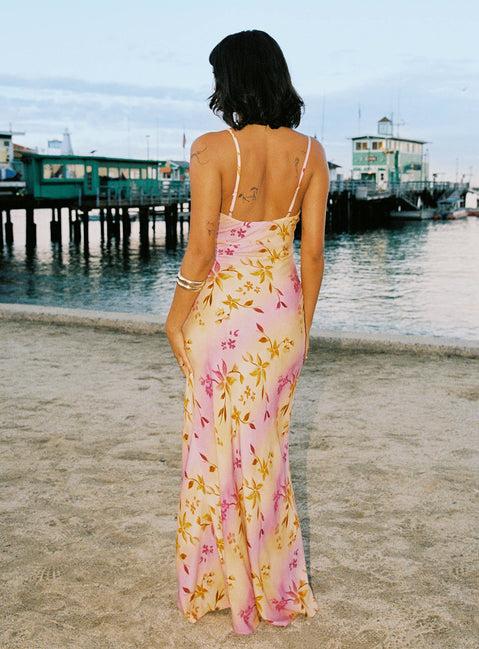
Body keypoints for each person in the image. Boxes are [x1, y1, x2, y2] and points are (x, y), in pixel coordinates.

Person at [165, 29, 329, 635]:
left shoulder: (212, 149)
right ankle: (271, 585)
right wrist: (302, 328)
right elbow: (312, 255)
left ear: (232, 81)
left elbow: (202, 248)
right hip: (281, 320)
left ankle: (219, 583)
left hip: (222, 319)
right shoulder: (312, 155)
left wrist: (175, 315)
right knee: (267, 454)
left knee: (215, 450)